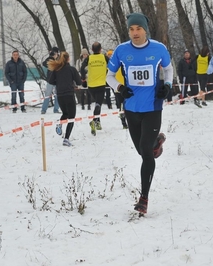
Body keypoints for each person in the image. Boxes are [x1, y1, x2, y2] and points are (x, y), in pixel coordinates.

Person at [106, 12, 173, 215]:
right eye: (131, 29)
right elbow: (109, 76)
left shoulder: (158, 49)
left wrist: (167, 85)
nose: (135, 33)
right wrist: (119, 88)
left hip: (153, 107)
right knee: (142, 151)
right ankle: (156, 144)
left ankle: (143, 198)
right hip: (131, 108)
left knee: (145, 152)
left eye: (138, 29)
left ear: (145, 30)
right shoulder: (121, 51)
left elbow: (169, 69)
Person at [47, 51, 82, 146]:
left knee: (65, 113)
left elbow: (50, 81)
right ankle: (66, 139)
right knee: (71, 117)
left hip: (60, 95)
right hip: (69, 95)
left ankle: (59, 123)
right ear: (68, 59)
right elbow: (79, 82)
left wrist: (59, 83)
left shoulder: (56, 70)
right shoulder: (71, 69)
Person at [80, 42, 109, 136]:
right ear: (100, 49)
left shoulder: (89, 58)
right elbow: (112, 66)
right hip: (101, 84)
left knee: (97, 103)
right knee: (98, 104)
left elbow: (81, 69)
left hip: (91, 85)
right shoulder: (104, 57)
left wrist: (83, 78)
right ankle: (93, 121)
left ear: (92, 50)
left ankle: (98, 122)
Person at [106, 49, 128, 129]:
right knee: (121, 106)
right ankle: (123, 122)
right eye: (109, 55)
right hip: (118, 88)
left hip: (125, 87)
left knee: (126, 105)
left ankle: (127, 121)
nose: (110, 56)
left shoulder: (120, 63)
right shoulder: (112, 65)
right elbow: (109, 76)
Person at [41, 47, 60, 114]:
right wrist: (51, 58)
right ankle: (44, 109)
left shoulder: (59, 60)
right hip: (51, 80)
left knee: (57, 95)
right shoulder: (50, 60)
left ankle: (56, 109)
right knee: (47, 95)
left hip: (57, 80)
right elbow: (44, 63)